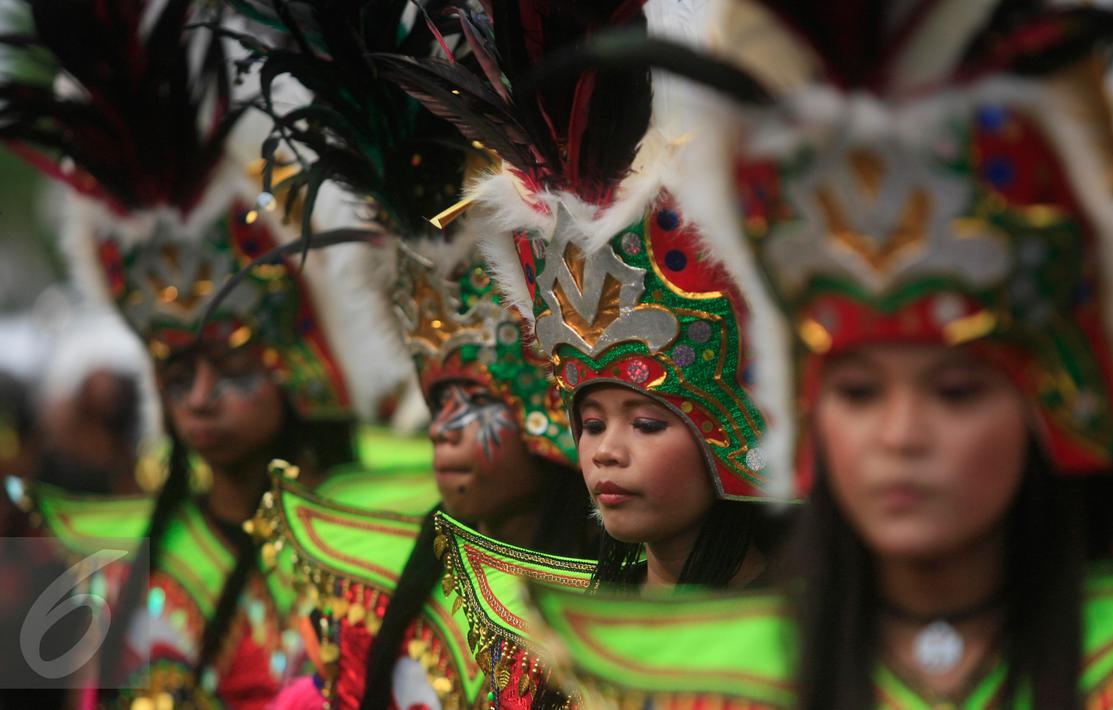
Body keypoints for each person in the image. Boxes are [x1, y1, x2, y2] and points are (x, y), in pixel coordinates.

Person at [664, 1, 1113, 707]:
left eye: (956, 392)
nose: (900, 438)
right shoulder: (706, 682)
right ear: (810, 417)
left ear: (1049, 404)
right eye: (858, 394)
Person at [0, 0, 412, 705]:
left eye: (233, 364)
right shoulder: (116, 574)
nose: (199, 400)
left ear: (295, 357)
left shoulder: (387, 540)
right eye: (176, 371)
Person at [219, 4, 598, 708]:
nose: (444, 434)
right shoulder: (381, 607)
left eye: (477, 403)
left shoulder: (620, 609)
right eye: (440, 403)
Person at [381, 0, 790, 595]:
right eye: (592, 423)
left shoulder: (798, 646)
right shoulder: (551, 632)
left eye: (647, 424)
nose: (605, 453)